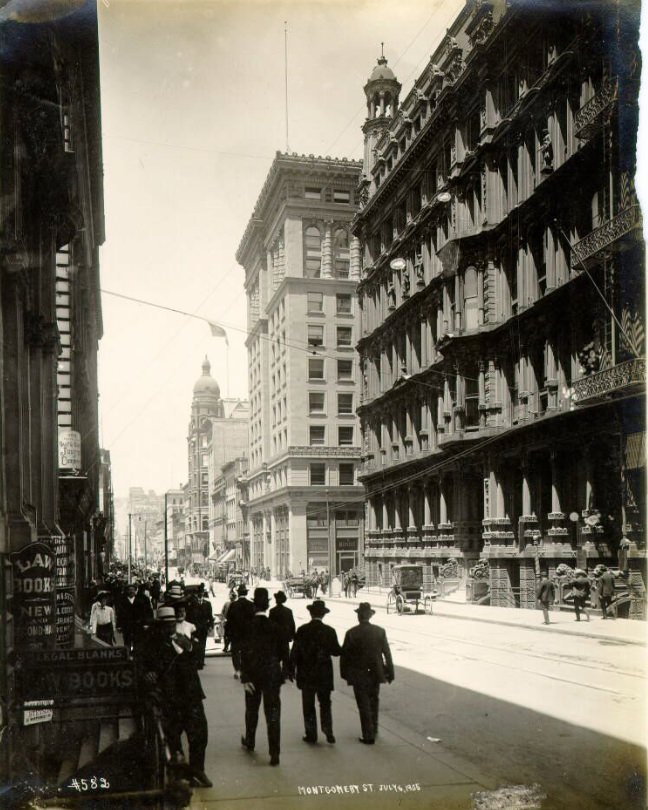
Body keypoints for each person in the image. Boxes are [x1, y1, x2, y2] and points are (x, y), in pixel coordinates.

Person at [139, 605, 211, 788]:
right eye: (167, 625)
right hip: (169, 697)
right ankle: (180, 773)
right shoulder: (150, 645)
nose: (171, 627)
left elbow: (196, 657)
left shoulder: (182, 638)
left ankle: (197, 770)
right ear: (159, 626)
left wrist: (189, 646)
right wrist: (147, 674)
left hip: (191, 694)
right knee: (173, 737)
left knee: (200, 734)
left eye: (172, 624)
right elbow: (141, 666)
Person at [240, 588, 290, 766]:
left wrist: (245, 677)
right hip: (272, 675)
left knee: (251, 710)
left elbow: (243, 654)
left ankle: (250, 741)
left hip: (253, 675)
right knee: (273, 714)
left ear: (254, 606)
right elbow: (284, 652)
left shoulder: (248, 627)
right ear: (267, 606)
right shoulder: (275, 627)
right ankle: (274, 753)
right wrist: (282, 672)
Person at [340, 602, 394, 745]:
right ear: (370, 616)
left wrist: (344, 673)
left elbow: (345, 656)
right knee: (374, 700)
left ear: (359, 616)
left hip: (358, 673)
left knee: (363, 704)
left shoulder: (351, 633)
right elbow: (387, 654)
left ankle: (368, 735)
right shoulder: (380, 631)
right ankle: (374, 729)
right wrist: (390, 672)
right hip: (376, 673)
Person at [290, 599, 341, 744]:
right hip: (324, 673)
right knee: (325, 703)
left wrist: (291, 669)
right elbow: (336, 651)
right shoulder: (330, 631)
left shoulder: (302, 630)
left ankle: (311, 734)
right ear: (323, 615)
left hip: (306, 673)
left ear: (310, 613)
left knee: (308, 704)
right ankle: (328, 730)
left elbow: (295, 652)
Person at [226, 583, 255, 678]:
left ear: (238, 593)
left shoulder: (233, 605)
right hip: (247, 633)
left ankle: (237, 670)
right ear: (246, 593)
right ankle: (244, 669)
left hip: (235, 633)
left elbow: (229, 619)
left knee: (235, 652)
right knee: (246, 651)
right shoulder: (251, 605)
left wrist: (228, 633)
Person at [117, 582, 153, 656]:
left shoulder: (142, 599)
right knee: (127, 641)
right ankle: (127, 656)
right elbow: (119, 614)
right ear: (127, 591)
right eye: (129, 590)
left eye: (133, 589)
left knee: (137, 641)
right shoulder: (122, 600)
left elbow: (147, 612)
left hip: (138, 625)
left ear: (135, 590)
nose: (131, 591)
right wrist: (119, 625)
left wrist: (146, 623)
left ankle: (136, 656)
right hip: (127, 625)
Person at [187, 584, 215, 669]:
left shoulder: (207, 604)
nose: (200, 594)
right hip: (194, 627)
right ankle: (196, 660)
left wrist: (210, 625)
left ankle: (201, 661)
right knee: (195, 644)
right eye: (199, 592)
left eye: (202, 592)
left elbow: (210, 616)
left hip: (203, 627)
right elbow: (189, 616)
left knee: (203, 644)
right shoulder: (192, 604)